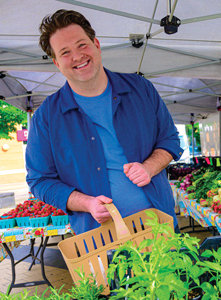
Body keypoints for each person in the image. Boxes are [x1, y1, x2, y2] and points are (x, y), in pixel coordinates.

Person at [25, 9, 183, 235]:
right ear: (57, 63)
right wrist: (86, 203)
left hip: (160, 226)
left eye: (82, 45)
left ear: (96, 44)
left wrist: (149, 167)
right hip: (99, 241)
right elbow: (40, 180)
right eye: (65, 52)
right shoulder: (47, 117)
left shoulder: (140, 89)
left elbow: (169, 139)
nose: (77, 56)